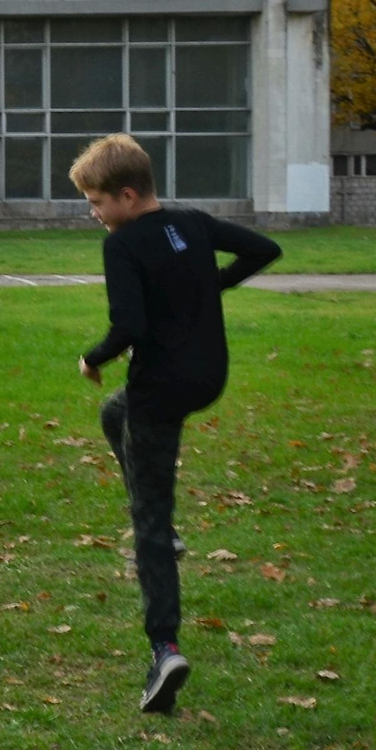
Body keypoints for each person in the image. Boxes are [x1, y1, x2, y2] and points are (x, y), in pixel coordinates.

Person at [71, 134, 280, 713]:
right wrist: (208, 285)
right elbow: (264, 249)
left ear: (128, 196)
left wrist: (92, 358)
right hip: (208, 378)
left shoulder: (123, 246)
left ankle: (165, 649)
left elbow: (129, 328)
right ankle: (168, 531)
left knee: (150, 528)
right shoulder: (192, 222)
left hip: (160, 391)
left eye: (96, 203)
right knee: (112, 414)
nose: (95, 215)